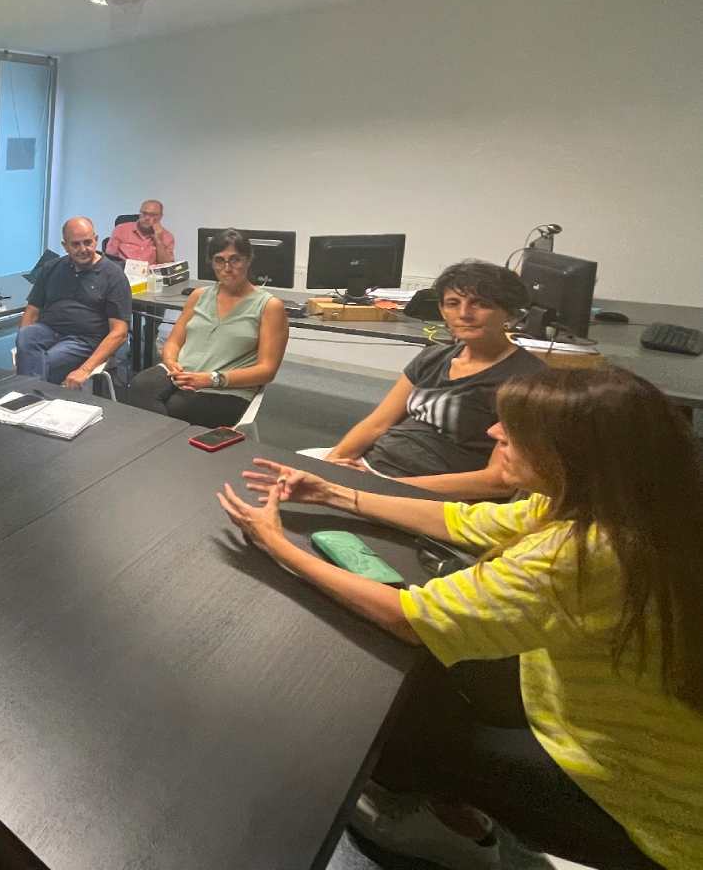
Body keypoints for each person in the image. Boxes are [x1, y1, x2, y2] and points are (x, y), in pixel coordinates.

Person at [216, 368, 702, 870]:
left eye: (512, 431)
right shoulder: (628, 509)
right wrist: (336, 493)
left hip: (624, 792)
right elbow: (465, 521)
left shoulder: (578, 553)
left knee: (385, 720)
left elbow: (407, 618)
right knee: (421, 678)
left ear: (568, 454)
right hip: (582, 707)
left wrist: (275, 543)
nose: (494, 433)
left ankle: (454, 839)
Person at [303, 260, 543, 499]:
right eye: (453, 303)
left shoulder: (527, 381)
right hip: (370, 469)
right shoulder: (434, 357)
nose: (464, 314)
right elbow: (377, 423)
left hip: (425, 493)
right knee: (275, 478)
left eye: (480, 304)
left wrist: (384, 486)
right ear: (441, 310)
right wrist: (333, 463)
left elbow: (497, 482)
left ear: (509, 313)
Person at [126, 228, 288, 426]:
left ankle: (160, 448)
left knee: (178, 406)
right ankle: (163, 447)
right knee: (139, 386)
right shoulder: (199, 296)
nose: (227, 268)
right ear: (211, 263)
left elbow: (267, 370)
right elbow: (174, 342)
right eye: (219, 260)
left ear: (248, 260)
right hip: (182, 374)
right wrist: (170, 362)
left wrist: (212, 379)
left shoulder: (269, 306)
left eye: (235, 260)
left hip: (226, 386)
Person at [15, 216, 131, 388]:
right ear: (65, 245)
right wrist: (21, 349)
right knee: (25, 336)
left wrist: (85, 369)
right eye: (76, 244)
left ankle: (31, 398)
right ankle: (34, 396)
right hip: (49, 330)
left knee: (45, 363)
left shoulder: (113, 275)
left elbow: (120, 332)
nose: (83, 249)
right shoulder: (52, 267)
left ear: (96, 240)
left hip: (85, 340)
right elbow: (31, 312)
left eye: (88, 242)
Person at [103, 199, 174, 264]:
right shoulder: (121, 230)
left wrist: (158, 241)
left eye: (152, 215)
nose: (147, 218)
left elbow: (167, 266)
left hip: (150, 276)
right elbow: (109, 259)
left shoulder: (167, 237)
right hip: (123, 274)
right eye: (144, 213)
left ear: (160, 216)